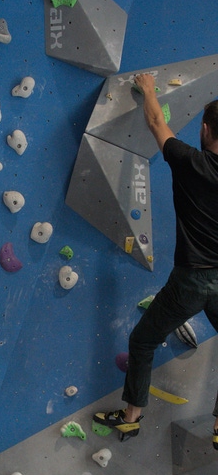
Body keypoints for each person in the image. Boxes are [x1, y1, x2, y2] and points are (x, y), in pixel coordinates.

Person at [93, 72, 218, 446]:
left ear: (207, 130)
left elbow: (156, 122)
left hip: (191, 279)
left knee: (143, 341)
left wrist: (147, 89)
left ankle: (132, 416)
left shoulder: (191, 162)